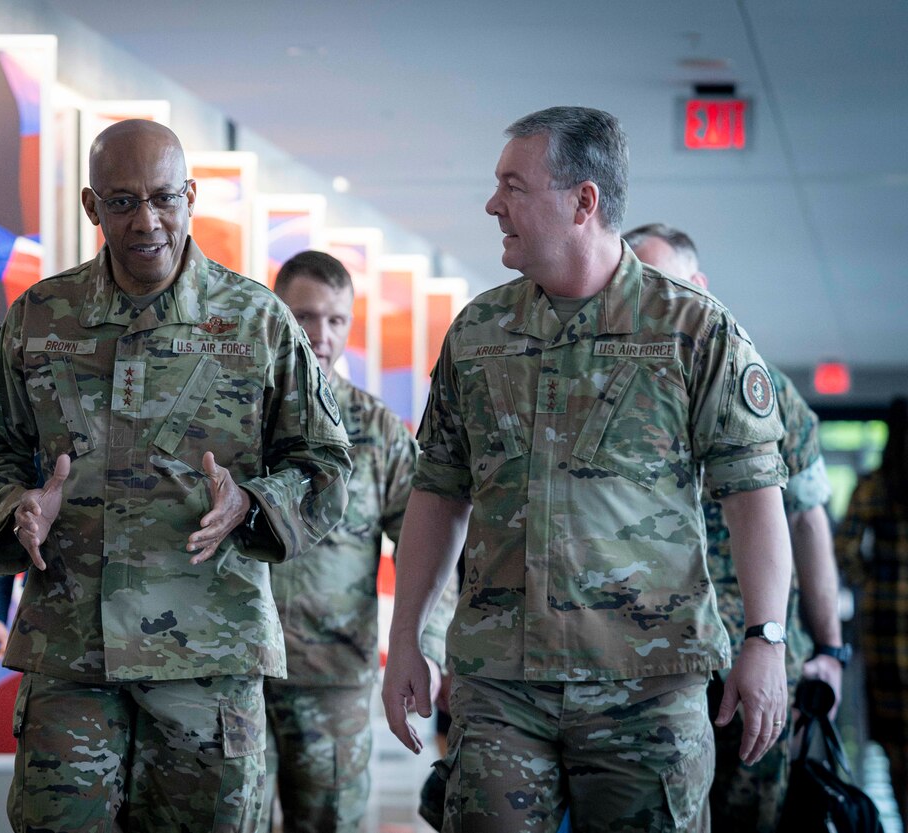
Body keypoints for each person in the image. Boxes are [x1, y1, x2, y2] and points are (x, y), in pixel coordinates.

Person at [381, 106, 794, 832]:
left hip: (646, 685)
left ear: (583, 201)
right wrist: (407, 633)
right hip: (501, 683)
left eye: (513, 184)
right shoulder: (479, 334)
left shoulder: (694, 330)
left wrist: (766, 637)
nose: (492, 204)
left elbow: (754, 497)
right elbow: (438, 492)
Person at [0, 119, 352, 833]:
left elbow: (324, 464)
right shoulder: (40, 319)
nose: (147, 221)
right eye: (122, 202)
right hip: (72, 652)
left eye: (164, 198)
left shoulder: (256, 321)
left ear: (191, 196)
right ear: (90, 206)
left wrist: (251, 503)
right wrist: (17, 505)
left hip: (208, 654)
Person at [625, 222, 846, 831]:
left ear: (698, 287)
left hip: (758, 652)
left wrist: (829, 649)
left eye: (661, 283)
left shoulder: (767, 390)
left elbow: (808, 523)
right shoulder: (615, 398)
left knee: (754, 815)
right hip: (654, 663)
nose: (648, 303)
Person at [258, 250, 455, 832]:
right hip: (233, 673)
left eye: (336, 320)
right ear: (275, 315)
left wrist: (431, 647)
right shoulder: (232, 422)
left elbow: (432, 551)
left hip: (333, 679)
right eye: (305, 316)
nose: (321, 335)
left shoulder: (377, 432)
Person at [836, 396, 908, 830]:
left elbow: (843, 550)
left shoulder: (874, 485)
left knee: (898, 746)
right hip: (886, 626)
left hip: (885, 625)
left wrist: (871, 577)